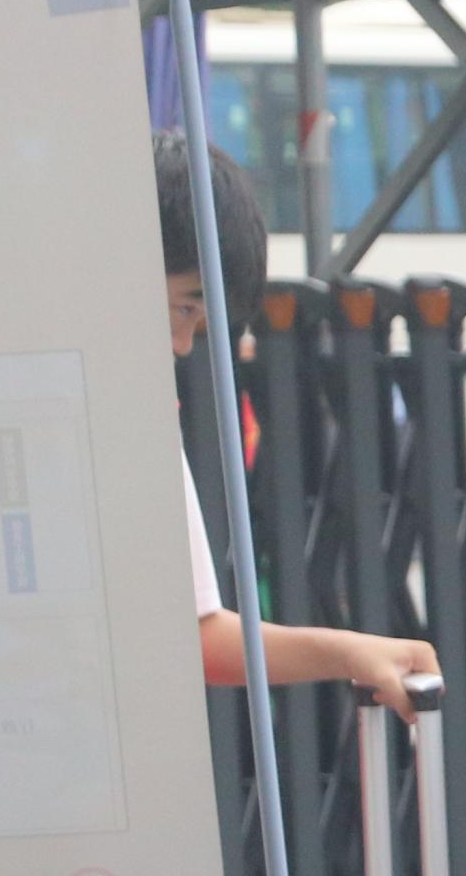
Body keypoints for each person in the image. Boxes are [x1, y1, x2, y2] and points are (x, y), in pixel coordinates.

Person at [156, 141, 422, 712]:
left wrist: (351, 652)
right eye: (182, 309)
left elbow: (197, 635)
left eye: (196, 322)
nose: (181, 346)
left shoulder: (145, 424)